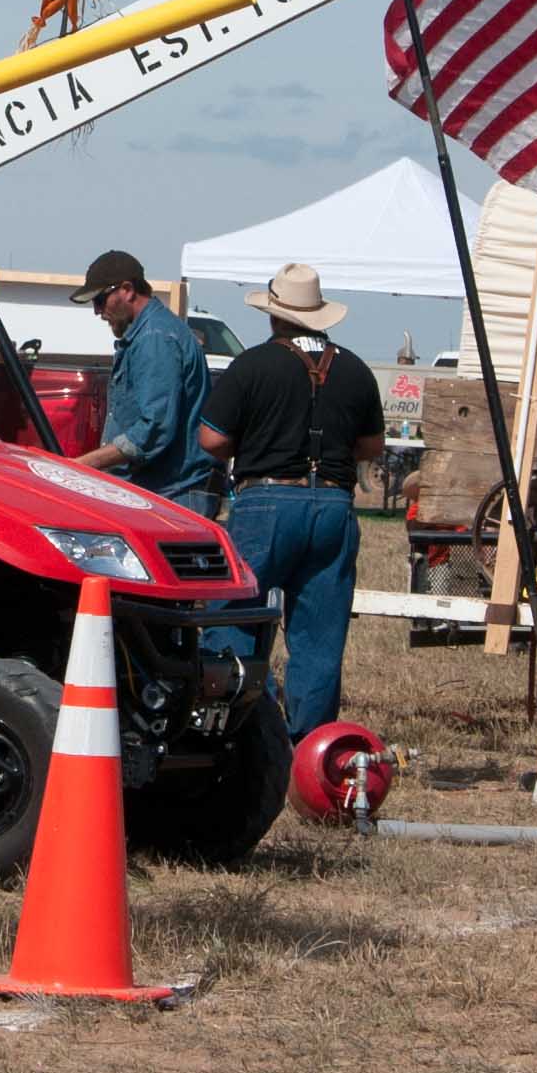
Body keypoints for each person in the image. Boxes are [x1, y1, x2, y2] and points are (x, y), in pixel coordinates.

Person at [201, 261, 387, 736]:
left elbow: (211, 439)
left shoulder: (252, 365)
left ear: (274, 316)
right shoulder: (356, 369)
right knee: (319, 637)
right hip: (333, 505)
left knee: (237, 618)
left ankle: (245, 731)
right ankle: (308, 745)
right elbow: (371, 446)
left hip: (266, 503)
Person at [71, 248, 216, 513]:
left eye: (100, 300)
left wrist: (83, 465)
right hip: (165, 493)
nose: (97, 311)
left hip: (171, 496)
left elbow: (154, 428)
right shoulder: (152, 334)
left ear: (127, 290)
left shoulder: (154, 338)